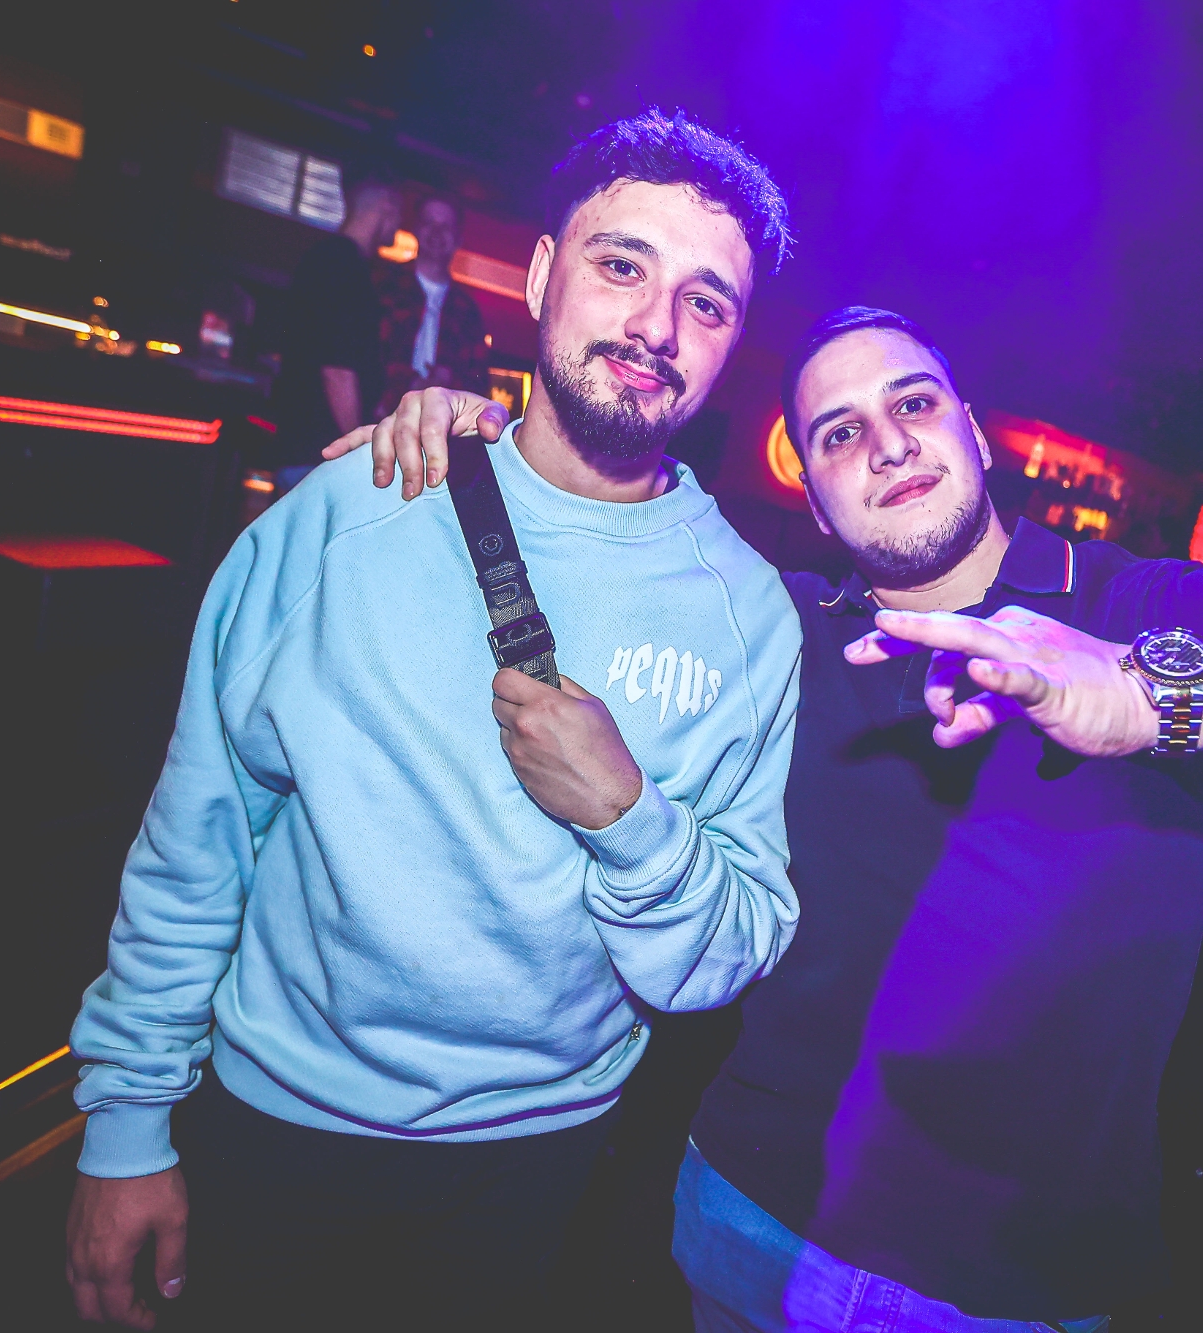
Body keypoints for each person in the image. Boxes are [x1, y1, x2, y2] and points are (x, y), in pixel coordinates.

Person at [329, 306, 1203, 1329]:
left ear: (976, 432)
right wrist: (474, 442)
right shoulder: (776, 623)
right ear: (809, 484)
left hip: (991, 1288)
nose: (885, 444)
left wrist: (1145, 693)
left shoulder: (1153, 614)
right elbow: (546, 571)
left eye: (913, 403)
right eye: (838, 432)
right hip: (735, 1213)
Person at [64, 110, 798, 1331]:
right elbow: (199, 835)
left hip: (543, 1161)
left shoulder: (751, 616)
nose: (656, 327)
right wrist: (127, 1124)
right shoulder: (353, 509)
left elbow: (722, 958)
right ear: (543, 275)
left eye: (705, 302)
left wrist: (627, 816)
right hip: (276, 1122)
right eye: (621, 265)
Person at [264, 167, 408, 490]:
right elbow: (338, 371)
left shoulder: (328, 260)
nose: (400, 224)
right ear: (388, 204)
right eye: (400, 212)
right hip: (319, 459)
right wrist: (359, 453)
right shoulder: (343, 266)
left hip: (305, 452)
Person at [373, 194, 491, 410]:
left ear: (458, 238)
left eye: (446, 226)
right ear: (416, 229)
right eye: (429, 223)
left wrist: (448, 383)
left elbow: (478, 383)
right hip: (377, 421)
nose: (437, 232)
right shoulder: (383, 286)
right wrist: (408, 384)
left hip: (439, 426)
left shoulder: (467, 311)